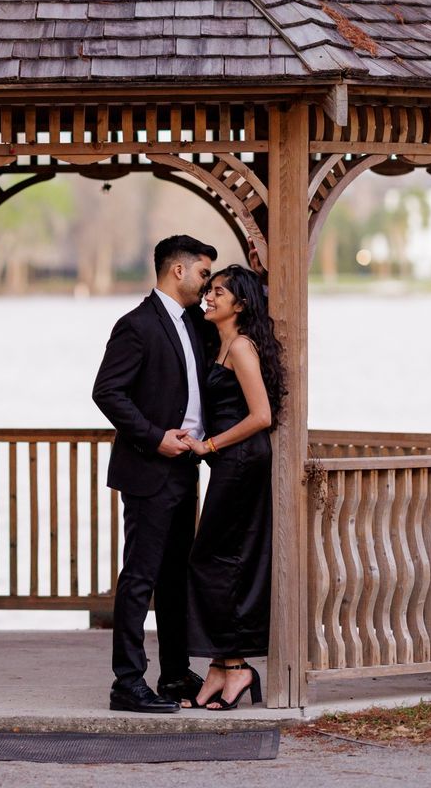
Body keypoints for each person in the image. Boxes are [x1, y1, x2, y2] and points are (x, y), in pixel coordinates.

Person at [91, 234, 219, 713]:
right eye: (204, 273)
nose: (208, 286)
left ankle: (173, 673)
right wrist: (154, 436)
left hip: (187, 467)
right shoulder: (136, 325)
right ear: (178, 271)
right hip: (148, 468)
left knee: (175, 579)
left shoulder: (195, 326)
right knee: (140, 578)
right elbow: (107, 392)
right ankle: (127, 682)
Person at [182, 263, 285, 710]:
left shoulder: (241, 347)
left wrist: (210, 445)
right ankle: (221, 667)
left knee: (214, 560)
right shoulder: (218, 343)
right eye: (209, 290)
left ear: (240, 303)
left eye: (219, 292)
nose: (210, 297)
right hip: (231, 460)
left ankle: (237, 665)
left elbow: (261, 416)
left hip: (242, 458)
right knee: (218, 561)